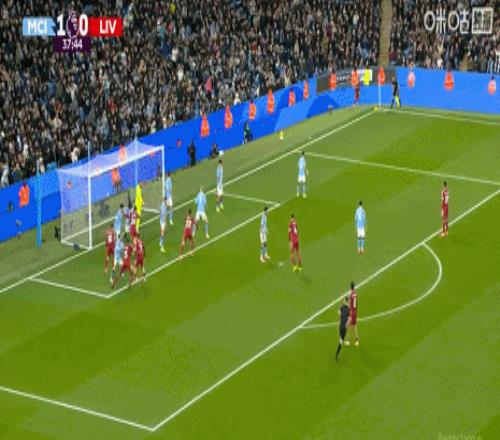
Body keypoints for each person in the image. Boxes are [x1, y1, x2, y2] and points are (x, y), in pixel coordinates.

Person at [336, 296, 350, 361]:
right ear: (348, 301)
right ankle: (337, 354)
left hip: (340, 325)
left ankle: (345, 341)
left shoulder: (342, 307)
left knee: (341, 338)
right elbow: (349, 319)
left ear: (345, 301)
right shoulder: (349, 309)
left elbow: (339, 313)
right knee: (341, 340)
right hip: (344, 327)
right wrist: (347, 324)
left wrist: (340, 305)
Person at [346, 282, 359, 347]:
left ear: (350, 287)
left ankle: (348, 341)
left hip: (351, 312)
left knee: (349, 326)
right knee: (354, 326)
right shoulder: (355, 293)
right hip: (355, 311)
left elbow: (349, 304)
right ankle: (357, 341)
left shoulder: (350, 294)